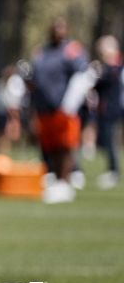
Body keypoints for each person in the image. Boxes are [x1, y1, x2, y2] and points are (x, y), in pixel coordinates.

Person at [30, 18, 92, 203]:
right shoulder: (43, 52)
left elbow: (84, 74)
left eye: (62, 28)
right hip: (44, 108)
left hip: (63, 107)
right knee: (50, 146)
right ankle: (56, 179)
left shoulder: (71, 50)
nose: (59, 31)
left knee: (65, 146)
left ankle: (65, 181)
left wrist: (70, 102)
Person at [92, 35, 121, 188]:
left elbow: (102, 83)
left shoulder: (115, 67)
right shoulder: (109, 67)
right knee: (107, 141)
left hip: (112, 109)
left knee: (111, 141)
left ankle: (114, 171)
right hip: (106, 109)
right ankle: (112, 170)